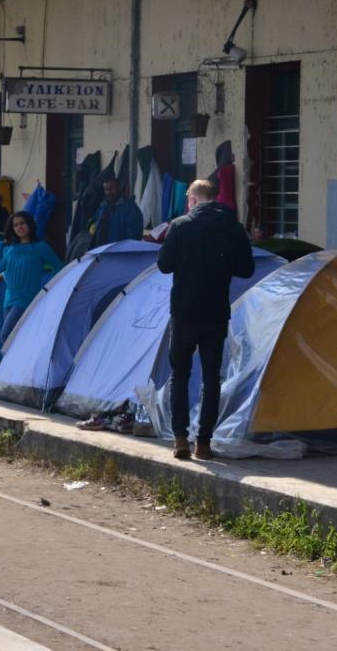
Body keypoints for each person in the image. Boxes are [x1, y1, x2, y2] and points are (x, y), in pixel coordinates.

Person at [156, 179, 255, 461]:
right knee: (212, 377)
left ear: (195, 199)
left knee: (181, 375)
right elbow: (246, 269)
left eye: (188, 198)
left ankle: (179, 440)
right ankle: (204, 443)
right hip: (215, 312)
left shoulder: (180, 226)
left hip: (185, 312)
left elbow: (164, 266)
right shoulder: (234, 228)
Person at [0, 210, 63, 344]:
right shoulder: (10, 248)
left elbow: (59, 266)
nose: (19, 227)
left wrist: (47, 287)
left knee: (6, 334)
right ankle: (20, 364)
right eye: (16, 225)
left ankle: (10, 364)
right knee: (17, 337)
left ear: (29, 225)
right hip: (9, 298)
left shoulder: (40, 247)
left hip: (26, 298)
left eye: (22, 223)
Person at [90, 173, 144, 249]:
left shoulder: (130, 208)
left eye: (112, 188)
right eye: (106, 190)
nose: (109, 192)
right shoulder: (102, 208)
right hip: (102, 254)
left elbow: (134, 236)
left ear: (118, 187)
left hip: (121, 254)